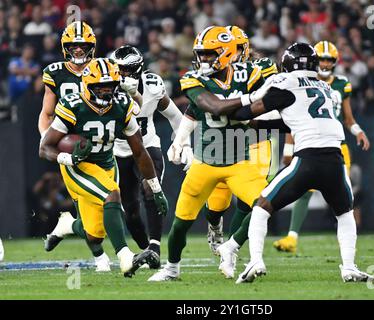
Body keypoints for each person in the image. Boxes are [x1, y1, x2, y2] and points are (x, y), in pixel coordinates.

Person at [226, 42, 374, 284]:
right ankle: (348, 267)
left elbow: (250, 111)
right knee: (345, 213)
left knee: (262, 207)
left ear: (287, 63)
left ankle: (255, 261)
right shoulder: (324, 88)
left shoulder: (284, 83)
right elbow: (296, 120)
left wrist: (231, 111)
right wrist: (262, 123)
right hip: (335, 158)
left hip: (308, 159)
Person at [148, 26, 271, 282]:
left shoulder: (251, 72)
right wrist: (180, 139)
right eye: (200, 54)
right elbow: (208, 106)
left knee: (266, 205)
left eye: (207, 54)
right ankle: (172, 268)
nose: (202, 59)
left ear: (225, 54)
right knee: (181, 222)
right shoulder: (194, 79)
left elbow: (271, 96)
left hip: (240, 161)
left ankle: (232, 246)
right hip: (206, 162)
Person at [39, 58, 169, 277]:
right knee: (112, 194)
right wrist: (68, 159)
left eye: (109, 87)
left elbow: (139, 151)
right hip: (78, 166)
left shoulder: (122, 104)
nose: (105, 92)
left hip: (107, 164)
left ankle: (68, 225)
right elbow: (45, 148)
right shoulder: (73, 104)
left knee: (95, 233)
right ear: (88, 86)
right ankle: (126, 257)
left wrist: (156, 188)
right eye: (99, 87)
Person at [273, 40, 370, 253]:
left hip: (336, 144)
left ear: (335, 62)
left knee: (339, 193)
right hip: (309, 140)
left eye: (329, 60)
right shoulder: (304, 81)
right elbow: (292, 118)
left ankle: (346, 244)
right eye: (322, 59)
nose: (325, 64)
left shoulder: (341, 83)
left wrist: (358, 131)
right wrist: (288, 150)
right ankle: (292, 237)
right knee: (306, 189)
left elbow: (348, 118)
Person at [39, 21, 111, 271]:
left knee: (100, 208)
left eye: (82, 46)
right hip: (71, 143)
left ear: (92, 46)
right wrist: (48, 141)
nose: (78, 51)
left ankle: (68, 226)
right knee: (95, 201)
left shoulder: (104, 69)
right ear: (64, 47)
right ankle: (102, 257)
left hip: (102, 143)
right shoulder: (56, 72)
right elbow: (47, 113)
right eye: (73, 46)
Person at [110, 45, 189, 268]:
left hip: (148, 146)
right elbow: (132, 109)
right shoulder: (108, 88)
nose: (123, 75)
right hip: (119, 150)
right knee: (131, 210)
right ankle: (147, 251)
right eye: (119, 70)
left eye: (127, 70)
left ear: (138, 70)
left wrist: (184, 143)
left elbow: (174, 115)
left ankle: (154, 247)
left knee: (150, 190)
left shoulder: (153, 85)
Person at [203, 25, 278, 255]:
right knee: (216, 204)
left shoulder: (263, 67)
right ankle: (215, 225)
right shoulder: (212, 71)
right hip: (226, 139)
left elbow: (275, 96)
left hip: (258, 138)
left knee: (252, 201)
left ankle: (231, 250)